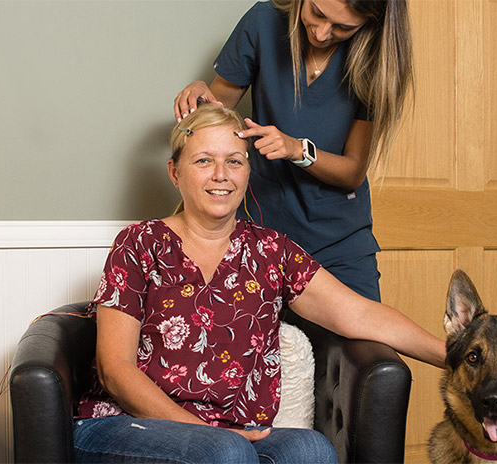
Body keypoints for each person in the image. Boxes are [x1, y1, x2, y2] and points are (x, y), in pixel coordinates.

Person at [73, 104, 444, 463]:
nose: (221, 174)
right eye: (204, 160)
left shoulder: (271, 250)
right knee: (224, 453)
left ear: (248, 173)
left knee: (310, 451)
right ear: (175, 172)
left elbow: (359, 314)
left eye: (234, 161)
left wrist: (456, 357)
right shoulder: (139, 243)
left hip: (233, 435)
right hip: (127, 425)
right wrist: (204, 432)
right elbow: (114, 369)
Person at [173, 0, 413, 302]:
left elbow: (352, 171)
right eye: (318, 13)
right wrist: (198, 92)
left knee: (368, 346)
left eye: (343, 27)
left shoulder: (376, 60)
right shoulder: (263, 22)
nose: (323, 33)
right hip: (263, 232)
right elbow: (214, 113)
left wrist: (297, 149)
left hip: (339, 242)